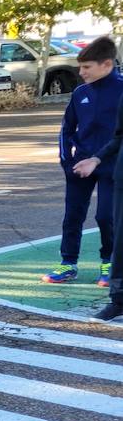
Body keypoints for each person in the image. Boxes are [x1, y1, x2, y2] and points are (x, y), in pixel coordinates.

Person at [45, 36, 121, 287]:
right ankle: (68, 264)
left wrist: (101, 159)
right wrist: (67, 163)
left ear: (106, 65)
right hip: (80, 164)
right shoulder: (80, 93)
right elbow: (66, 129)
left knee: (106, 216)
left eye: (87, 67)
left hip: (112, 164)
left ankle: (109, 262)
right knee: (73, 215)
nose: (81, 72)